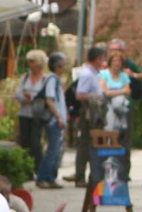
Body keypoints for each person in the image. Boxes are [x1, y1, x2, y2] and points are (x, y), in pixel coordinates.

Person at [68, 45, 107, 188]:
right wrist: (95, 97)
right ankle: (80, 176)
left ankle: (93, 176)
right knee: (84, 146)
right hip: (88, 115)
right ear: (97, 59)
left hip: (96, 115)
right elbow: (80, 94)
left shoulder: (95, 73)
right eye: (102, 58)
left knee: (93, 145)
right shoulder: (87, 74)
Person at [14, 49, 55, 171]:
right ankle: (26, 169)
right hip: (24, 114)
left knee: (36, 143)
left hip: (38, 115)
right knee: (24, 142)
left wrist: (31, 97)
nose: (30, 64)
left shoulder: (45, 79)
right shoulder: (25, 77)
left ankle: (37, 168)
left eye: (32, 61)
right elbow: (18, 93)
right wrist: (25, 98)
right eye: (29, 61)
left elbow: (46, 96)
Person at [39, 53, 71, 189]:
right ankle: (45, 178)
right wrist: (58, 117)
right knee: (53, 150)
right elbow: (49, 99)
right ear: (57, 66)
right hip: (54, 121)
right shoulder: (52, 80)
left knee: (56, 150)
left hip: (58, 120)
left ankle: (51, 177)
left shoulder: (56, 79)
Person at [100, 48, 134, 137]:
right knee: (110, 127)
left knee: (118, 102)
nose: (117, 63)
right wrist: (121, 91)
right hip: (107, 103)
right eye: (114, 60)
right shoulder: (104, 74)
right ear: (110, 62)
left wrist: (114, 92)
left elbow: (128, 92)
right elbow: (106, 92)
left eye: (119, 61)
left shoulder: (124, 76)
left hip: (121, 104)